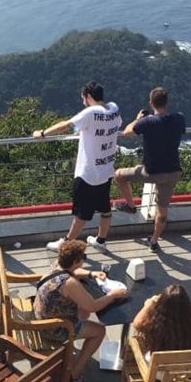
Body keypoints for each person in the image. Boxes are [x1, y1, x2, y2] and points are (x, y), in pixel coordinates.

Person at [33, 81, 122, 253]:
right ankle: (101, 240)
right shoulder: (113, 108)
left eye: (84, 99)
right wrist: (83, 129)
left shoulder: (90, 112)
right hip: (106, 169)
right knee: (105, 208)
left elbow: (66, 124)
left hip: (89, 174)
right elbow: (105, 126)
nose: (83, 103)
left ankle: (66, 244)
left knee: (81, 214)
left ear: (89, 97)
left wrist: (42, 133)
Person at [33, 240, 128, 382]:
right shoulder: (70, 283)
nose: (84, 259)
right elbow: (93, 306)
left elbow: (75, 271)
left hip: (42, 315)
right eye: (83, 257)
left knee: (83, 310)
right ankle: (74, 373)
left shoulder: (57, 265)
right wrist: (113, 295)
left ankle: (79, 331)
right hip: (54, 328)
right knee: (99, 331)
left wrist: (91, 274)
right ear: (76, 261)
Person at [114, 87, 185, 252]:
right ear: (167, 102)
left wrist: (137, 119)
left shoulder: (147, 122)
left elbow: (126, 132)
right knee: (162, 211)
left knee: (119, 175)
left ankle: (131, 206)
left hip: (151, 172)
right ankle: (153, 241)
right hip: (173, 172)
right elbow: (177, 130)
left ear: (151, 103)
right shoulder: (179, 118)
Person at [131, 284, 191, 362]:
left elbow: (137, 322)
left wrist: (148, 304)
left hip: (158, 370)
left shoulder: (155, 326)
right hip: (185, 368)